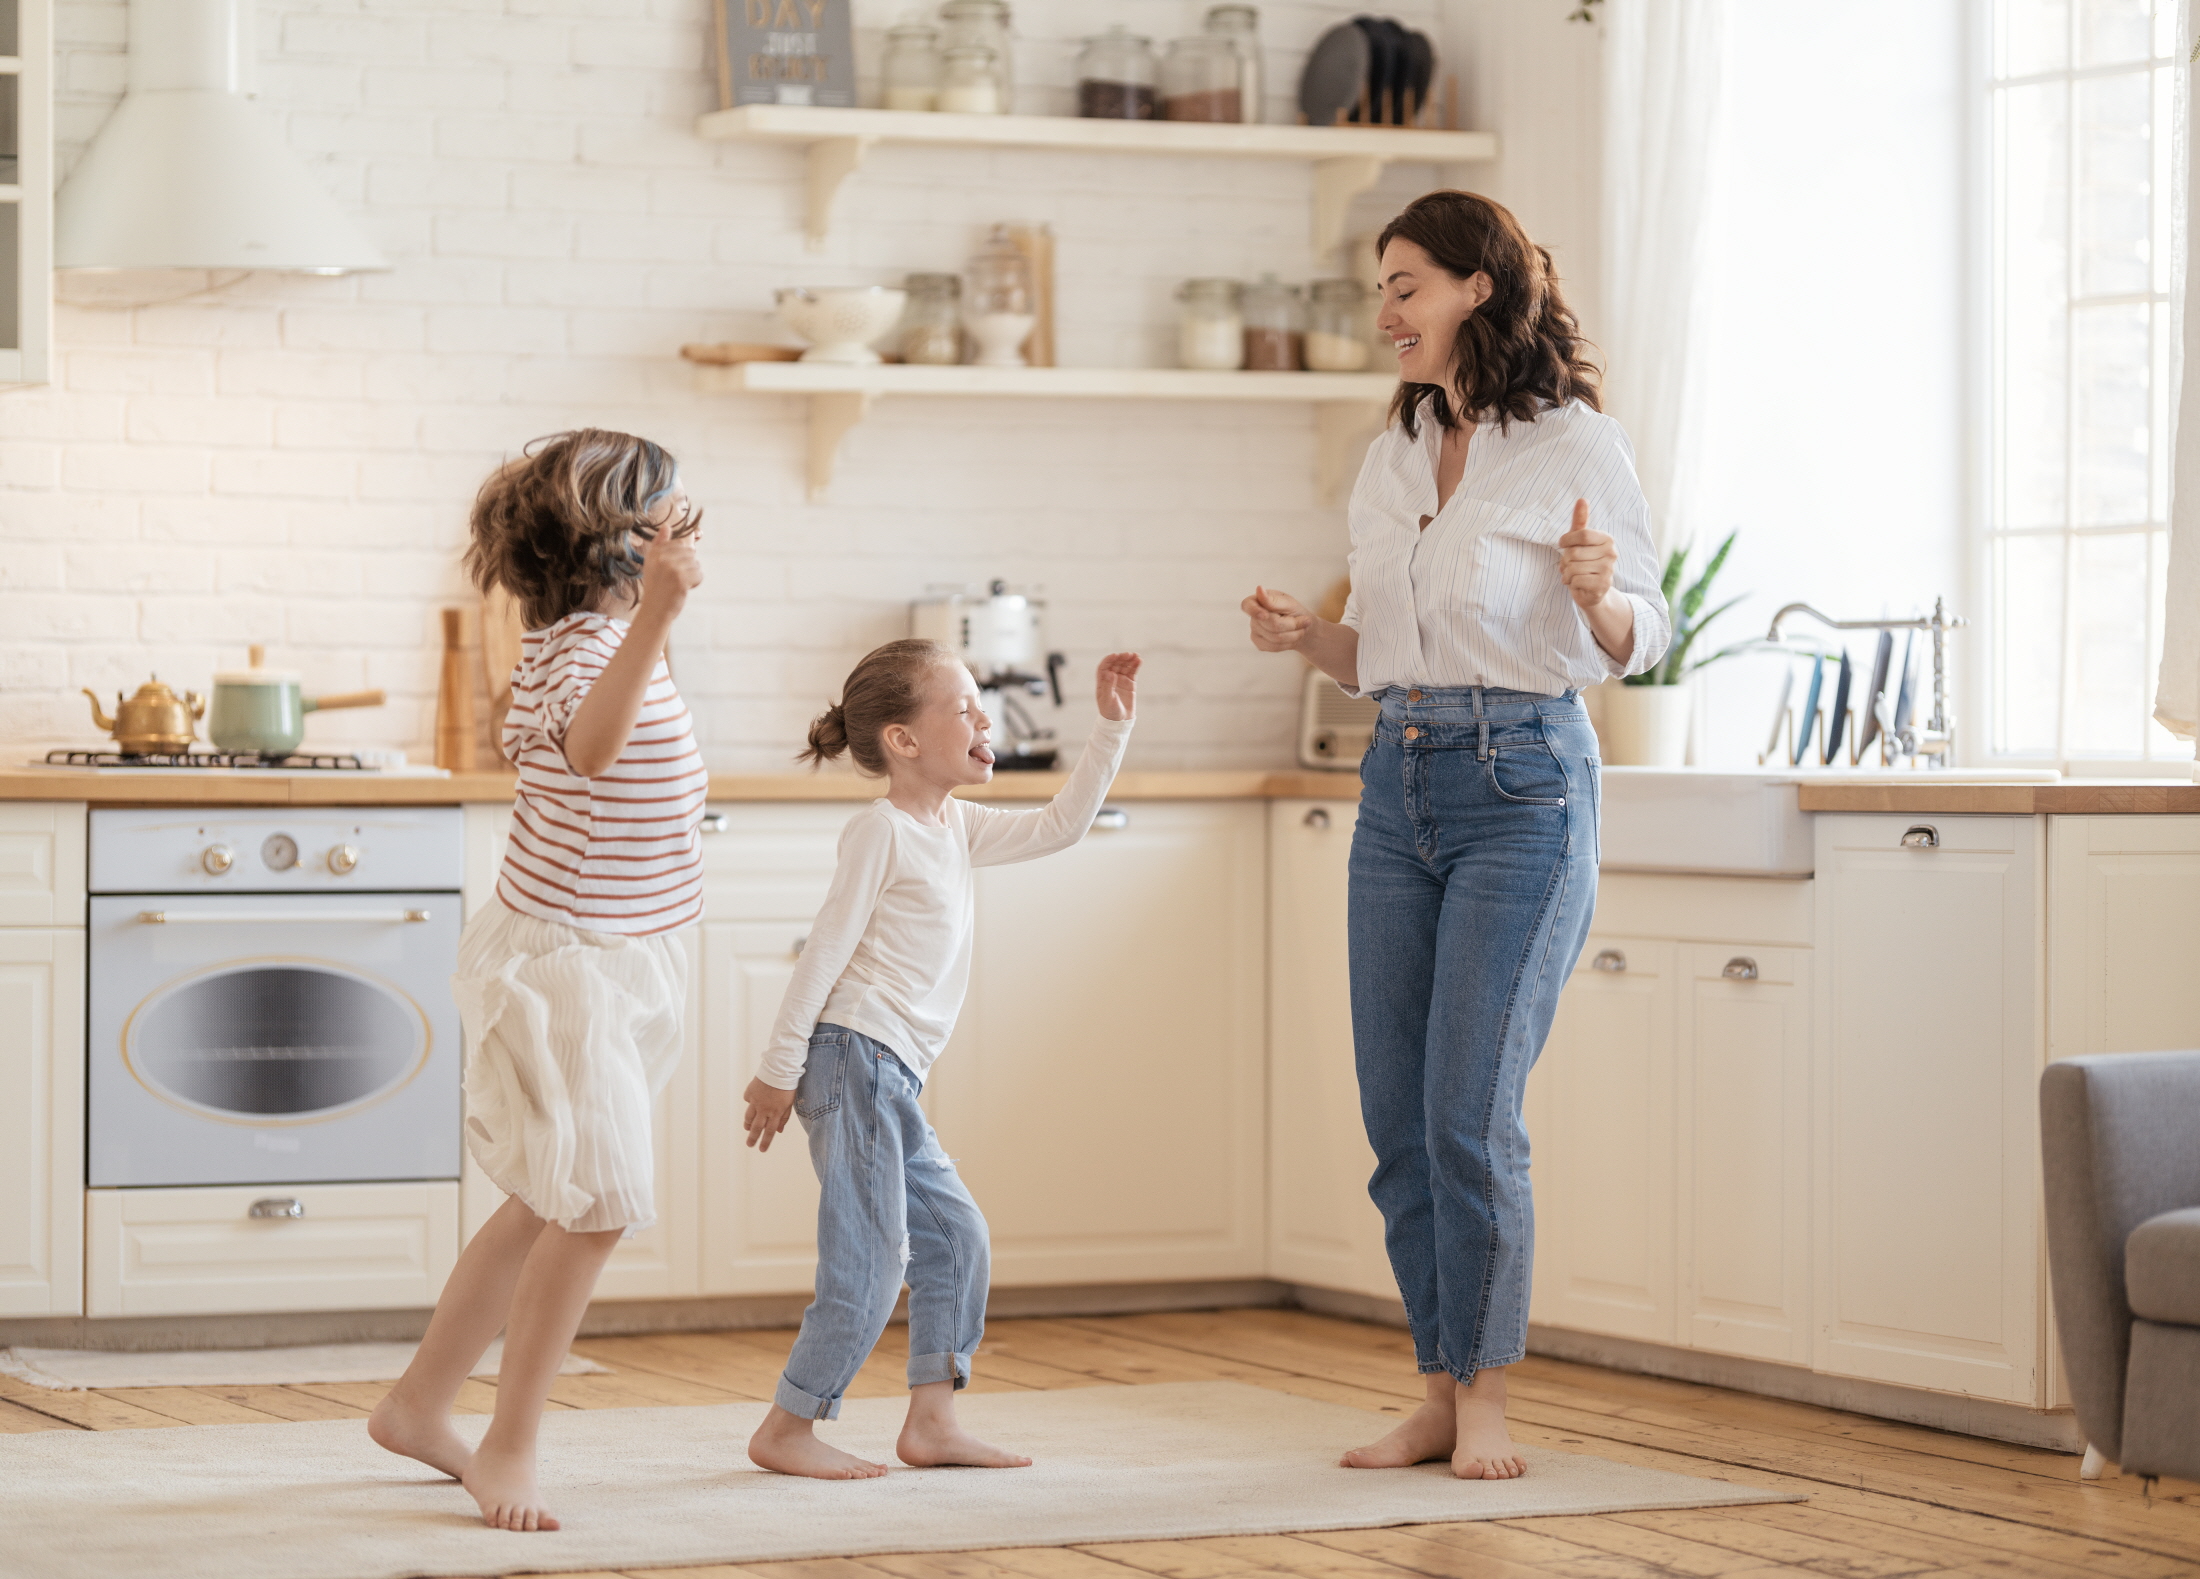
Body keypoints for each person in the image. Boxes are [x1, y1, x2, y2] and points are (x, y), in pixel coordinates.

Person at [1241, 191, 1670, 1480]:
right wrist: (1303, 640)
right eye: (1381, 287)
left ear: (1478, 287)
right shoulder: (1391, 454)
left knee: (1469, 1113)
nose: (1385, 312)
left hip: (1525, 786)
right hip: (1399, 781)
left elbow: (1648, 632)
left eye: (1407, 284)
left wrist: (1600, 599)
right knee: (1397, 1115)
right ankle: (1434, 1386)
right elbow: (1381, 655)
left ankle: (1486, 1400)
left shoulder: (1575, 445)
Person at [368, 429, 708, 1531]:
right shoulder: (581, 649)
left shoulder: (603, 635)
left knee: (548, 1200)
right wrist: (658, 616)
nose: (685, 515)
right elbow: (597, 754)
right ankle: (509, 1445)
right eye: (664, 504)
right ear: (620, 539)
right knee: (596, 1203)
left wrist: (651, 621)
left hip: (616, 956)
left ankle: (421, 1406)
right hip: (567, 966)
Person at [741, 639, 1141, 1479]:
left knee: (955, 1236)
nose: (983, 717)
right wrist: (779, 1068)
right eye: (962, 706)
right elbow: (822, 953)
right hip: (853, 1058)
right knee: (873, 1259)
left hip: (892, 1075)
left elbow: (1062, 826)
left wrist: (1110, 729)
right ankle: (789, 1424)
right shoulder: (880, 832)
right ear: (904, 740)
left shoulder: (954, 826)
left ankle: (932, 1421)